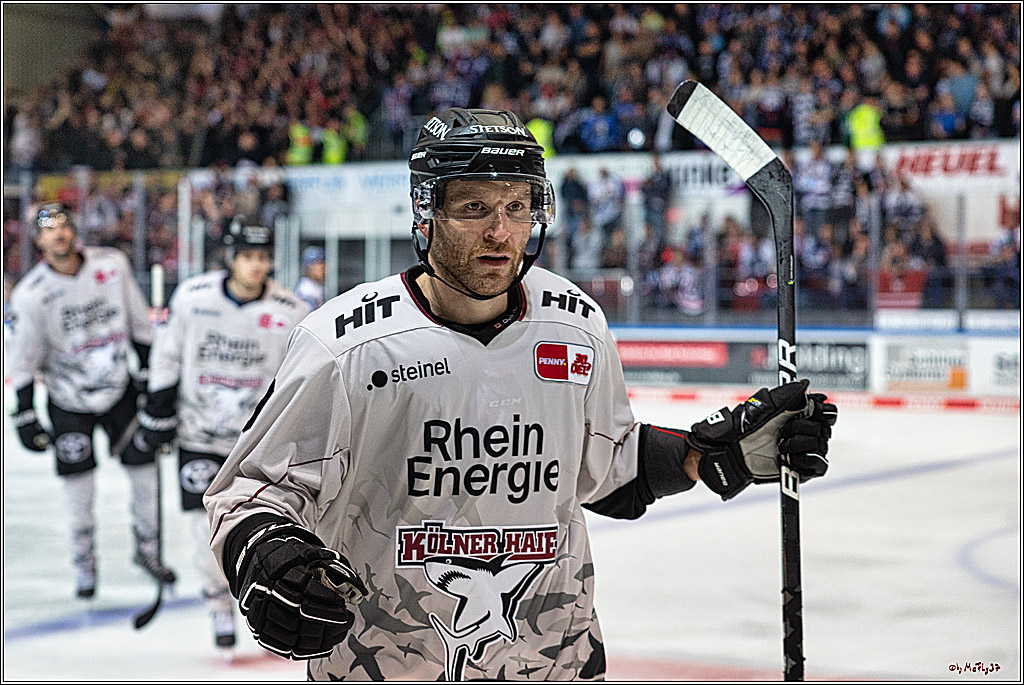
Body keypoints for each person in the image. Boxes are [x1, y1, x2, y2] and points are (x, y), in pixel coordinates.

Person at [204, 108, 838, 681]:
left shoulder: (576, 325)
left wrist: (714, 453)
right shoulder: (347, 346)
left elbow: (607, 469)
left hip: (553, 663)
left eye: (517, 206)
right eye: (474, 208)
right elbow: (249, 487)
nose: (500, 233)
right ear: (426, 214)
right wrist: (268, 558)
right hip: (389, 666)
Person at [127, 216, 309, 649]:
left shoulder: (290, 310)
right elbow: (169, 356)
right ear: (231, 258)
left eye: (263, 257)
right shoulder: (194, 298)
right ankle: (217, 603)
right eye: (247, 257)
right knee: (202, 529)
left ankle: (262, 601)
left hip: (257, 442)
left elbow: (300, 376)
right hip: (198, 436)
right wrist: (157, 410)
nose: (256, 266)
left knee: (267, 528)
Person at [6, 202, 176, 599]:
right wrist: (26, 412)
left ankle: (149, 552)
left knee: (144, 476)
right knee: (78, 491)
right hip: (68, 402)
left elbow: (139, 325)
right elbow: (24, 358)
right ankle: (84, 564)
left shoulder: (111, 266)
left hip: (120, 392)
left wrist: (153, 384)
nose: (59, 234)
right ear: (38, 240)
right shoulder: (33, 294)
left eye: (64, 225)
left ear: (75, 230)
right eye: (49, 230)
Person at [295, 245, 326, 311]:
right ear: (309, 267)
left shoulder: (315, 286)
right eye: (318, 263)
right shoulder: (306, 288)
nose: (322, 267)